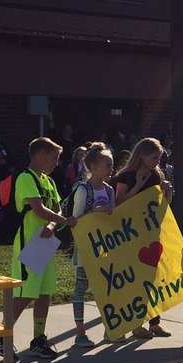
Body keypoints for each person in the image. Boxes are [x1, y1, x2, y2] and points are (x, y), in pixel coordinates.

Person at [0, 137, 76, 359]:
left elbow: (56, 210)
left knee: (45, 292)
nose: (57, 162)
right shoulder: (26, 178)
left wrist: (54, 224)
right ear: (40, 155)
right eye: (54, 157)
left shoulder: (50, 182)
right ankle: (0, 337)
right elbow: (39, 209)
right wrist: (64, 222)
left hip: (45, 243)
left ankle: (38, 339)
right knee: (26, 292)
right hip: (30, 243)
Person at [114, 137, 172, 339]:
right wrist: (138, 185)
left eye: (159, 158)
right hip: (132, 233)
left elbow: (162, 206)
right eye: (154, 158)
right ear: (142, 156)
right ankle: (136, 324)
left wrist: (167, 193)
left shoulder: (157, 175)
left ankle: (154, 322)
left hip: (152, 231)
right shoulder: (126, 176)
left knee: (154, 279)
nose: (157, 162)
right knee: (137, 280)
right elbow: (118, 203)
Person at [65, 144, 115, 348]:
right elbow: (76, 221)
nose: (111, 169)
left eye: (111, 165)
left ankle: (110, 328)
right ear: (93, 168)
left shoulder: (110, 189)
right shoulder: (83, 190)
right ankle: (80, 332)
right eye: (107, 165)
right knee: (81, 288)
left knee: (107, 288)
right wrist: (98, 212)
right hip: (86, 248)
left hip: (106, 247)